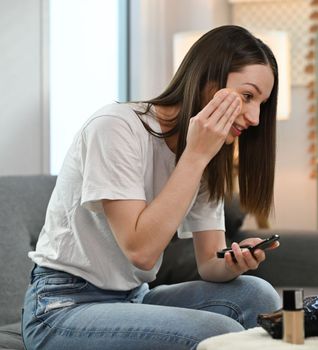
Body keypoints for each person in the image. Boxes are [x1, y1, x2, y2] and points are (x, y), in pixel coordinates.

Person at [22, 25, 282, 350]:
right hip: (61, 308)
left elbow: (209, 264)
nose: (256, 117)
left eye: (262, 102)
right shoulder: (116, 128)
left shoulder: (205, 154)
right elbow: (141, 252)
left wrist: (233, 261)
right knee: (215, 331)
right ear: (208, 83)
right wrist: (196, 156)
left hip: (132, 299)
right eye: (247, 96)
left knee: (258, 294)